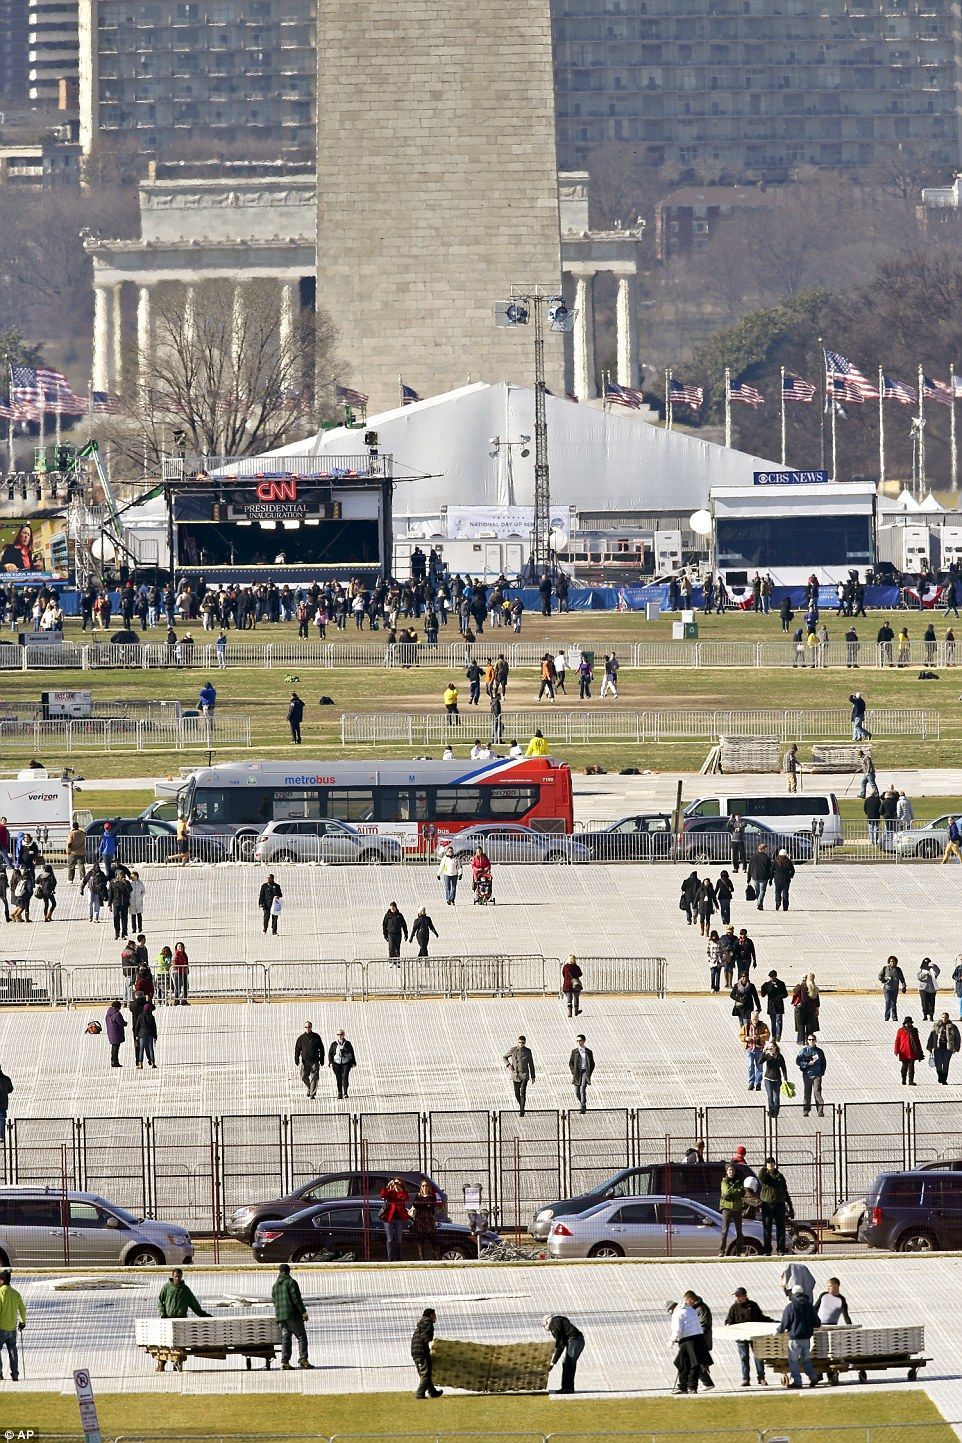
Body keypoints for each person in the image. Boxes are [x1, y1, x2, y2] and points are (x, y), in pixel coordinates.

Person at [725, 1287, 772, 1388]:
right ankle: (746, 1378)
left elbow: (761, 1317)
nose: (737, 1298)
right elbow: (729, 1320)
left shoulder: (753, 1305)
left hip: (754, 1336)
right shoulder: (734, 1307)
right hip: (741, 1337)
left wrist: (772, 1322)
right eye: (736, 1296)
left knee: (758, 1357)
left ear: (745, 1296)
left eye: (739, 1296)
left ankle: (761, 1378)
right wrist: (728, 1325)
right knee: (744, 1357)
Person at [777, 1286, 821, 1389]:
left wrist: (779, 1330)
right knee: (805, 1360)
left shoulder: (791, 1307)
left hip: (795, 1339)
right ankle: (813, 1377)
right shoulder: (809, 1306)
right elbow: (816, 1322)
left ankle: (797, 1381)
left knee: (793, 1360)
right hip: (807, 1339)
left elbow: (785, 1323)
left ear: (793, 1294)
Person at [272, 1263, 312, 1369]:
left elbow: (274, 1301)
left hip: (280, 1316)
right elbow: (296, 1299)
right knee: (301, 1336)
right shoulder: (291, 1282)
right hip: (292, 1315)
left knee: (286, 1337)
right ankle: (303, 1359)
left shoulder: (275, 1286)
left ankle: (285, 1362)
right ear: (289, 1271)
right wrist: (304, 1313)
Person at [668, 1293, 706, 1395]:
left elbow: (677, 1330)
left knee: (681, 1363)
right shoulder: (690, 1309)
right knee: (694, 1363)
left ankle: (683, 1387)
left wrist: (671, 1340)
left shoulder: (678, 1312)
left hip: (687, 1340)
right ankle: (692, 1387)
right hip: (699, 1338)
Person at [758, 1156, 793, 1256]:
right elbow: (760, 1177)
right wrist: (765, 1169)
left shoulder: (779, 1176)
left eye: (772, 1163)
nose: (770, 1165)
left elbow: (785, 1191)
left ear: (774, 1164)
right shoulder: (765, 1175)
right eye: (768, 1163)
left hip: (779, 1204)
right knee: (767, 1228)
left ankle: (780, 1250)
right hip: (767, 1204)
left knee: (780, 1228)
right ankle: (767, 1250)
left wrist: (790, 1206)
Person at [544, 1314, 585, 1394]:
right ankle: (566, 1388)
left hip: (575, 1340)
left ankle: (568, 1388)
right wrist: (553, 1363)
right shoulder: (559, 1324)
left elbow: (559, 1344)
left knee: (568, 1364)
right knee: (566, 1363)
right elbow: (561, 1346)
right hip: (577, 1341)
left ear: (547, 1321)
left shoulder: (554, 1322)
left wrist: (553, 1362)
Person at [411, 1308, 442, 1399]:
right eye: (435, 1315)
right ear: (431, 1315)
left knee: (426, 1372)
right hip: (421, 1351)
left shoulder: (421, 1323)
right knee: (426, 1373)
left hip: (416, 1350)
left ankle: (433, 1392)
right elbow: (425, 1336)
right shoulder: (427, 1323)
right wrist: (431, 1344)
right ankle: (420, 1394)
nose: (436, 1317)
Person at [0, 1269, 26, 1382]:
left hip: (1, 1327)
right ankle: (15, 1374)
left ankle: (0, 1373)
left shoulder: (0, 1292)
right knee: (13, 1351)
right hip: (12, 1328)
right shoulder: (16, 1293)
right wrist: (22, 1322)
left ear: (2, 1281)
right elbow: (23, 1309)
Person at [504, 1034, 536, 1116]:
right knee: (516, 1093)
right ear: (517, 1042)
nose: (521, 1044)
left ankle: (522, 1111)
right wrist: (508, 1065)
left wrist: (533, 1076)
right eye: (520, 1042)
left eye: (523, 1042)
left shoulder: (528, 1051)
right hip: (515, 1075)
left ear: (525, 1043)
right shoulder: (513, 1050)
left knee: (523, 1093)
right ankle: (522, 1106)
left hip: (524, 1074)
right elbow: (504, 1057)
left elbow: (531, 1064)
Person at [380, 1177, 410, 1261]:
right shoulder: (390, 1191)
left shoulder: (403, 1191)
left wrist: (399, 1189)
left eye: (398, 1183)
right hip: (389, 1218)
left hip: (399, 1218)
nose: (396, 1185)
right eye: (395, 1183)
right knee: (390, 1239)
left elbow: (405, 1198)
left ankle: (399, 1258)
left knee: (399, 1239)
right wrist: (388, 1187)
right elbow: (383, 1195)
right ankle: (390, 1259)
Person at [796, 1033, 826, 1117]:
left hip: (817, 1074)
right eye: (809, 1040)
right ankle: (806, 1110)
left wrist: (821, 1072)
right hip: (807, 1074)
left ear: (815, 1041)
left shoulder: (819, 1051)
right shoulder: (804, 1051)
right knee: (807, 1093)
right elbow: (798, 1061)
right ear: (807, 1041)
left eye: (813, 1040)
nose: (811, 1041)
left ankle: (820, 1111)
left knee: (817, 1092)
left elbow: (824, 1062)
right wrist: (807, 1064)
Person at [719, 1163, 745, 1255]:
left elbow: (742, 1191)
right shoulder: (724, 1181)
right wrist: (737, 1191)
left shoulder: (738, 1181)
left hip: (737, 1208)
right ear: (726, 1171)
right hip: (727, 1208)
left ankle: (739, 1251)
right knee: (724, 1231)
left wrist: (735, 1192)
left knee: (739, 1232)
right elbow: (726, 1193)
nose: (731, 1172)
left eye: (733, 1170)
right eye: (729, 1170)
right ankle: (722, 1251)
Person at [295, 1021, 323, 1100]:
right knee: (303, 1077)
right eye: (306, 1027)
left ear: (311, 1027)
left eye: (309, 1027)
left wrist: (322, 1059)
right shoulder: (301, 1038)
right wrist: (296, 1059)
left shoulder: (316, 1037)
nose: (307, 1028)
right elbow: (297, 1049)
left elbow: (321, 1048)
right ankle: (309, 1087)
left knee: (315, 1077)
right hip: (305, 1061)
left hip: (315, 1061)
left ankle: (312, 1094)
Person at [412, 1179, 438, 1261]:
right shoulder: (418, 1196)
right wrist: (425, 1204)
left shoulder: (432, 1196)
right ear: (421, 1187)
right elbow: (416, 1205)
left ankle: (434, 1256)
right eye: (423, 1186)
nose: (425, 1187)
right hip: (420, 1220)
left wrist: (423, 1204)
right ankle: (422, 1257)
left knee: (432, 1238)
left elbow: (432, 1206)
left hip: (429, 1220)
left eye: (426, 1185)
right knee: (420, 1239)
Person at [894, 1015, 924, 1085]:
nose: (908, 1024)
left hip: (912, 1051)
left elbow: (917, 1042)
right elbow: (897, 1041)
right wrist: (896, 1050)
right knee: (904, 1067)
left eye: (909, 1022)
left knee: (911, 1067)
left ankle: (911, 1081)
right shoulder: (900, 1031)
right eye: (906, 1023)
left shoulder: (914, 1030)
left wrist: (920, 1052)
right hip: (903, 1051)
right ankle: (903, 1079)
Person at [569, 1034, 594, 1114]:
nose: (579, 1042)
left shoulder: (588, 1052)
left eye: (580, 1040)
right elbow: (571, 1062)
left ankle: (582, 1107)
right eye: (577, 1041)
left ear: (584, 1041)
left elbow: (592, 1063)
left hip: (585, 1072)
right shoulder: (574, 1051)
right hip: (577, 1073)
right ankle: (582, 1103)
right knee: (577, 1092)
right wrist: (573, 1071)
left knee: (582, 1088)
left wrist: (589, 1073)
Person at [762, 1042, 788, 1118]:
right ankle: (771, 1110)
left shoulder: (780, 1057)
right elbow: (759, 1061)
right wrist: (764, 1052)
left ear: (775, 1047)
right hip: (768, 1078)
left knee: (776, 1096)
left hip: (777, 1079)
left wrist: (785, 1078)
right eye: (769, 1047)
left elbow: (783, 1068)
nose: (770, 1049)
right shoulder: (767, 1056)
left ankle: (776, 1111)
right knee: (770, 1095)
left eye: (771, 1047)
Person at [761, 970, 788, 1041]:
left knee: (779, 1020)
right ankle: (773, 1035)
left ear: (776, 976)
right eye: (770, 977)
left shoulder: (781, 983)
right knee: (773, 1021)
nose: (772, 978)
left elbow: (785, 994)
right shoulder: (767, 984)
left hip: (779, 1005)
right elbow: (763, 994)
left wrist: (779, 997)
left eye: (773, 977)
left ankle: (778, 1035)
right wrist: (764, 987)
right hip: (771, 1005)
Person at [329, 1028, 356, 1099]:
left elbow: (352, 1053)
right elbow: (330, 1053)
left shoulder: (347, 1043)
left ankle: (345, 1092)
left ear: (344, 1035)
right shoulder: (334, 1044)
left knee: (345, 1077)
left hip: (345, 1062)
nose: (339, 1036)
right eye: (338, 1034)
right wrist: (330, 1062)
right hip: (336, 1063)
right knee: (338, 1078)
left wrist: (353, 1062)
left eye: (341, 1034)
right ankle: (339, 1093)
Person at [880, 955, 907, 1022]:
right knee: (888, 1002)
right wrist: (884, 979)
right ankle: (887, 1017)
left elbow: (902, 978)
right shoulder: (885, 968)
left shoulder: (898, 970)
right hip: (887, 988)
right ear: (889, 962)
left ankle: (894, 1017)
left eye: (894, 961)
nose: (892, 963)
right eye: (891, 961)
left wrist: (904, 985)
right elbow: (880, 976)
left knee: (893, 1003)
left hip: (895, 989)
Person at [747, 844, 773, 910]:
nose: (767, 850)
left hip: (755, 876)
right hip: (764, 877)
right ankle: (759, 903)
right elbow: (770, 869)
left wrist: (748, 877)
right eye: (766, 849)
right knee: (762, 891)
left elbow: (750, 868)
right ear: (763, 849)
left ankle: (759, 904)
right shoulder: (767, 858)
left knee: (758, 891)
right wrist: (770, 878)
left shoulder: (753, 857)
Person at [134, 998, 157, 1070]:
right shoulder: (151, 1017)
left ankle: (140, 1064)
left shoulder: (140, 1016)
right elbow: (154, 1027)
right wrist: (155, 1036)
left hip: (141, 1034)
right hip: (150, 1034)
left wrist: (136, 1035)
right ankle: (153, 1062)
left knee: (141, 1049)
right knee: (151, 1049)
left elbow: (137, 1026)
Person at [105, 998, 126, 1068]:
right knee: (116, 1048)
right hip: (116, 1033)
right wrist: (125, 1023)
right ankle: (115, 1062)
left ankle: (113, 1061)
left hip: (111, 1032)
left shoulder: (108, 1014)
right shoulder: (117, 1014)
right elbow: (121, 1023)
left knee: (114, 1047)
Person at [65, 818, 86, 884]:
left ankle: (70, 879)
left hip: (73, 852)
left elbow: (69, 843)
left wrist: (69, 850)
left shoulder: (71, 834)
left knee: (71, 866)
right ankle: (82, 878)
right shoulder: (82, 833)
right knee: (81, 865)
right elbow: (85, 832)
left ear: (73, 826)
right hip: (81, 851)